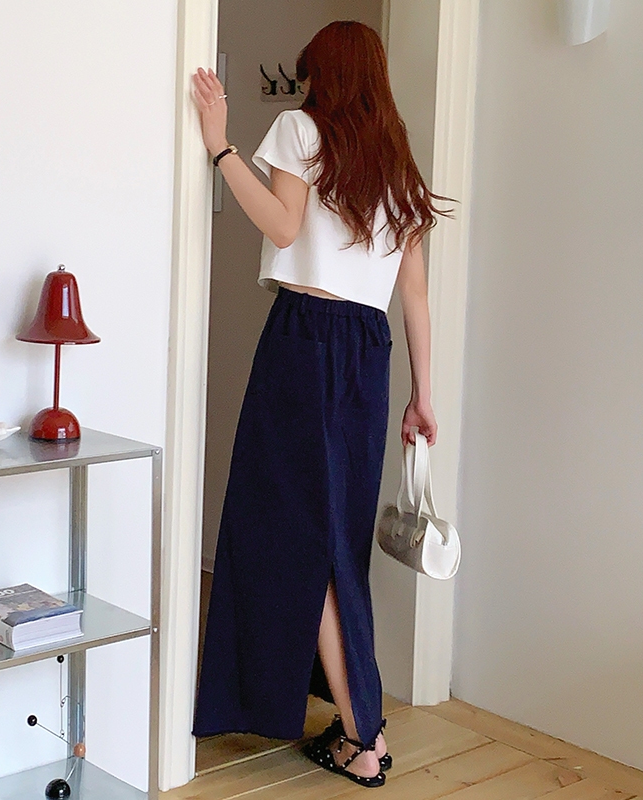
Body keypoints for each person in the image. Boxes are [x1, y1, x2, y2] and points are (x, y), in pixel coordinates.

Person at [190, 20, 448, 789]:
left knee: (303, 537)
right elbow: (415, 297)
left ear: (324, 74)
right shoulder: (396, 161)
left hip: (304, 339)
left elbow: (282, 224)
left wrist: (220, 146)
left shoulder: (300, 128)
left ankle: (364, 737)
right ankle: (353, 717)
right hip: (370, 350)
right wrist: (422, 396)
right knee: (336, 538)